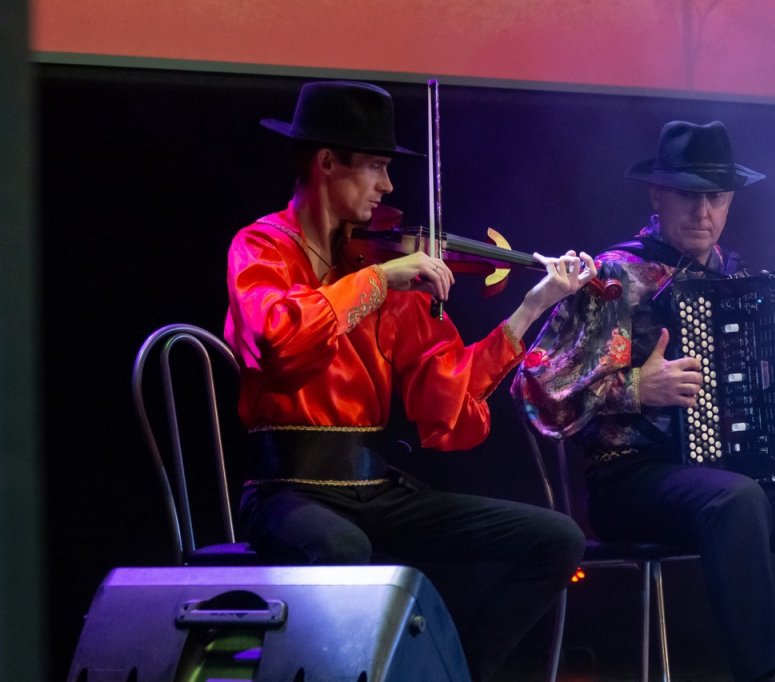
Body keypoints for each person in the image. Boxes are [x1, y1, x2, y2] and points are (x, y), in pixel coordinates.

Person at [512, 120, 775, 682]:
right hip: (630, 480)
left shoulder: (744, 282)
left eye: (717, 197)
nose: (703, 212)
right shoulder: (612, 279)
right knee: (737, 498)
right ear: (657, 196)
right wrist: (636, 388)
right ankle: (765, 676)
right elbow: (533, 390)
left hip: (737, 486)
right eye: (688, 195)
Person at [224, 80, 594, 682]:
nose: (388, 186)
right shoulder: (262, 247)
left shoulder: (378, 265)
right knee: (342, 548)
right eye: (375, 166)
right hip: (285, 491)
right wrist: (380, 281)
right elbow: (277, 337)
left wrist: (531, 308)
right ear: (326, 162)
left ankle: (455, 674)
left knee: (556, 538)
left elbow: (445, 397)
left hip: (373, 488)